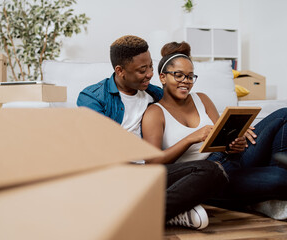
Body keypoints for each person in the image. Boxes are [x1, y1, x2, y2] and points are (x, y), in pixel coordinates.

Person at [77, 35, 228, 230]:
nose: (150, 74)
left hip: (152, 173)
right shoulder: (92, 98)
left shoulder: (153, 93)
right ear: (120, 71)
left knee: (211, 170)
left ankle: (150, 213)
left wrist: (229, 126)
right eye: (142, 70)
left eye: (150, 66)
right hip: (118, 176)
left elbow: (180, 103)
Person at [141, 41, 287, 220]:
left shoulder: (202, 99)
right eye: (178, 75)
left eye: (190, 76)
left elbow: (222, 137)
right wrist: (190, 138)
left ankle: (266, 196)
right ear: (163, 77)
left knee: (284, 115)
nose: (185, 82)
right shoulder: (155, 113)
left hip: (233, 157)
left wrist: (236, 142)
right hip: (211, 174)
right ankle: (261, 194)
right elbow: (153, 164)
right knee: (281, 178)